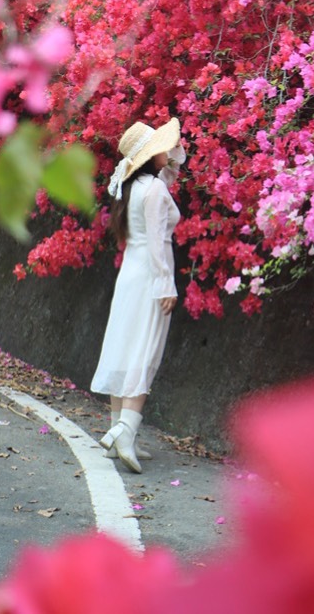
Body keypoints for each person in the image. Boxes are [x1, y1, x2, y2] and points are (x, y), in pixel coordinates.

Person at [91, 117, 185, 473]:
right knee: (145, 350)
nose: (168, 150)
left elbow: (169, 171)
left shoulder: (134, 186)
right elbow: (159, 244)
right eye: (160, 147)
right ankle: (125, 431)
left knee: (125, 345)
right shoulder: (155, 191)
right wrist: (166, 286)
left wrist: (171, 157)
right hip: (149, 274)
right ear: (148, 156)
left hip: (131, 272)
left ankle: (118, 430)